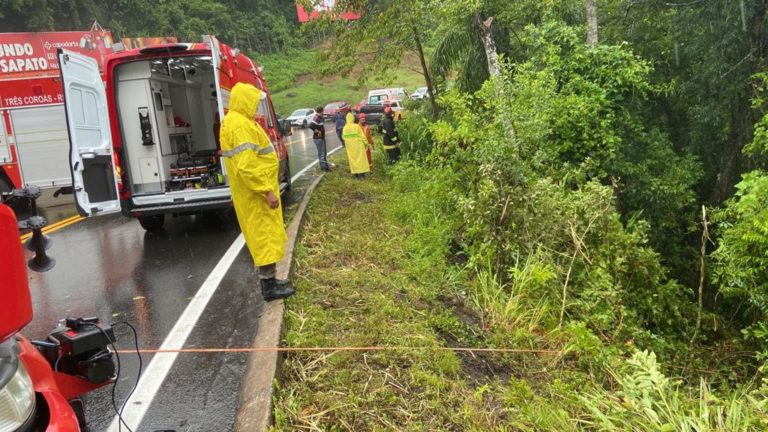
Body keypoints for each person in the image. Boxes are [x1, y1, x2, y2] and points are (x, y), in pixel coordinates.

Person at [219, 83, 294, 302]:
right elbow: (247, 166)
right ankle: (269, 288)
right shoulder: (240, 125)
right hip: (256, 194)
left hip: (250, 192)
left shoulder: (234, 122)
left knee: (264, 237)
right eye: (253, 102)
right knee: (264, 238)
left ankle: (271, 280)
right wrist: (266, 191)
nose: (255, 106)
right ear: (244, 101)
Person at [341, 113, 370, 179]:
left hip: (350, 148)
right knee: (360, 160)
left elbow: (343, 137)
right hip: (358, 146)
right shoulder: (356, 126)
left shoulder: (345, 128)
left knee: (353, 160)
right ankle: (361, 175)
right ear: (353, 118)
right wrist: (366, 144)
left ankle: (356, 173)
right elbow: (363, 136)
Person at [309, 106, 330, 171]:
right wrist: (317, 131)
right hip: (318, 138)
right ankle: (324, 169)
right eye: (323, 111)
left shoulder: (320, 117)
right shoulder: (317, 117)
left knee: (323, 153)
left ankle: (326, 167)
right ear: (321, 111)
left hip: (321, 138)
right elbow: (311, 125)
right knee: (322, 154)